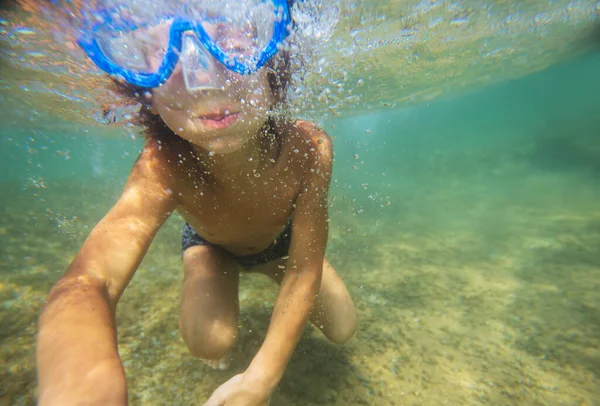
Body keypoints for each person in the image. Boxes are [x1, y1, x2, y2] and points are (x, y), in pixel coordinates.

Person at [36, 0, 357, 405]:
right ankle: (213, 274)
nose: (203, 78)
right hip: (211, 247)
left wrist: (260, 377)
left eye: (234, 46)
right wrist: (83, 387)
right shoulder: (161, 165)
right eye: (160, 57)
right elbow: (89, 280)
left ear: (275, 69)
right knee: (210, 340)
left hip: (280, 247)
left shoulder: (310, 148)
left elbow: (303, 266)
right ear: (145, 94)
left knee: (344, 326)